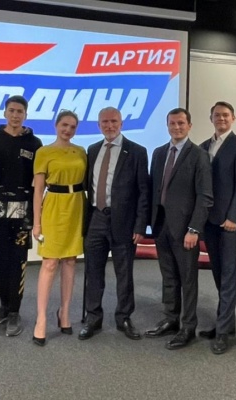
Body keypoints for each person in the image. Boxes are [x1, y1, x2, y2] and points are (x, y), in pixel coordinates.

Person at [145, 108, 213, 350]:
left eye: (181, 123)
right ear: (167, 126)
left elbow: (205, 196)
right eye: (172, 123)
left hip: (186, 229)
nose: (176, 127)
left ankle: (188, 327)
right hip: (161, 224)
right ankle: (171, 319)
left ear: (189, 126)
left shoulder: (199, 155)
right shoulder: (159, 153)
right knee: (169, 276)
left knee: (188, 279)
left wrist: (194, 229)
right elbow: (154, 188)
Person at [79, 107, 149, 341]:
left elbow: (143, 191)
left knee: (124, 273)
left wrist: (140, 226)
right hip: (95, 219)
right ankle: (93, 317)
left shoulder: (137, 151)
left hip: (124, 222)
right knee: (93, 272)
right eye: (105, 122)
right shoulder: (92, 150)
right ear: (99, 125)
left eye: (114, 121)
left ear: (121, 123)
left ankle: (124, 317)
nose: (109, 126)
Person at [0, 95, 42, 337]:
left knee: (18, 261)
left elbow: (38, 184)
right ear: (5, 113)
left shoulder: (34, 143)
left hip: (22, 209)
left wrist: (35, 217)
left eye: (20, 111)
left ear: (25, 115)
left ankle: (15, 310)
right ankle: (4, 305)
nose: (15, 115)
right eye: (12, 110)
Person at [198, 101, 236, 355]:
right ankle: (225, 321)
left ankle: (223, 332)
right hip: (209, 221)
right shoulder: (203, 147)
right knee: (219, 271)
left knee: (229, 273)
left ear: (233, 118)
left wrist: (233, 216)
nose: (221, 118)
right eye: (217, 115)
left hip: (231, 221)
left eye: (225, 115)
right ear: (211, 118)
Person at [32, 110, 86, 346]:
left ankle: (64, 312)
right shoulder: (44, 152)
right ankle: (41, 319)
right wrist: (37, 222)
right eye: (64, 125)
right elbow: (38, 190)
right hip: (53, 206)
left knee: (71, 261)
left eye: (72, 127)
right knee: (50, 263)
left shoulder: (81, 151)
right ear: (56, 125)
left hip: (77, 206)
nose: (68, 130)